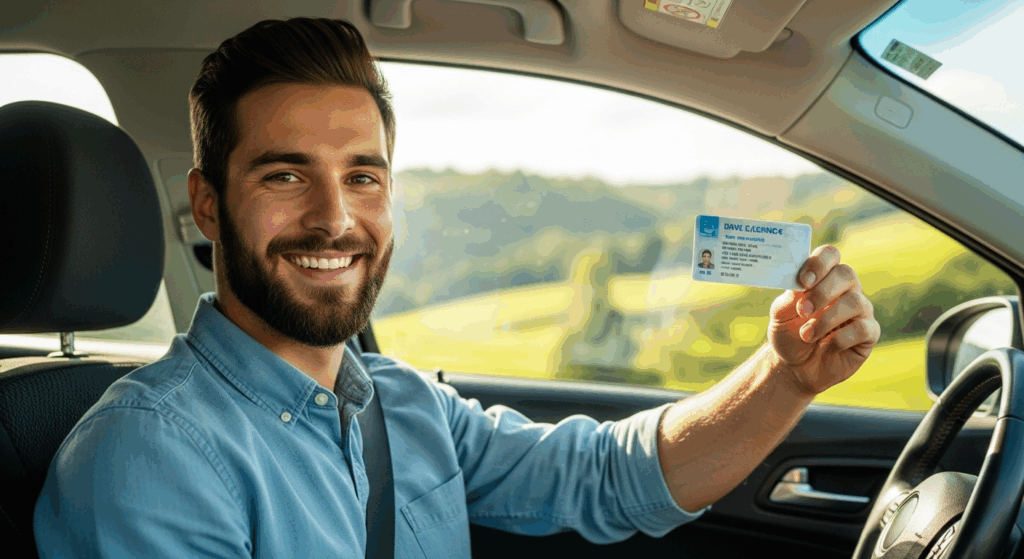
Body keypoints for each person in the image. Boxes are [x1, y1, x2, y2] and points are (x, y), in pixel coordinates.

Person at [33, 17, 880, 558]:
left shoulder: (401, 403)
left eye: (363, 177)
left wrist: (787, 376)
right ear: (209, 205)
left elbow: (605, 477)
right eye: (288, 175)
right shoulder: (149, 457)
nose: (335, 219)